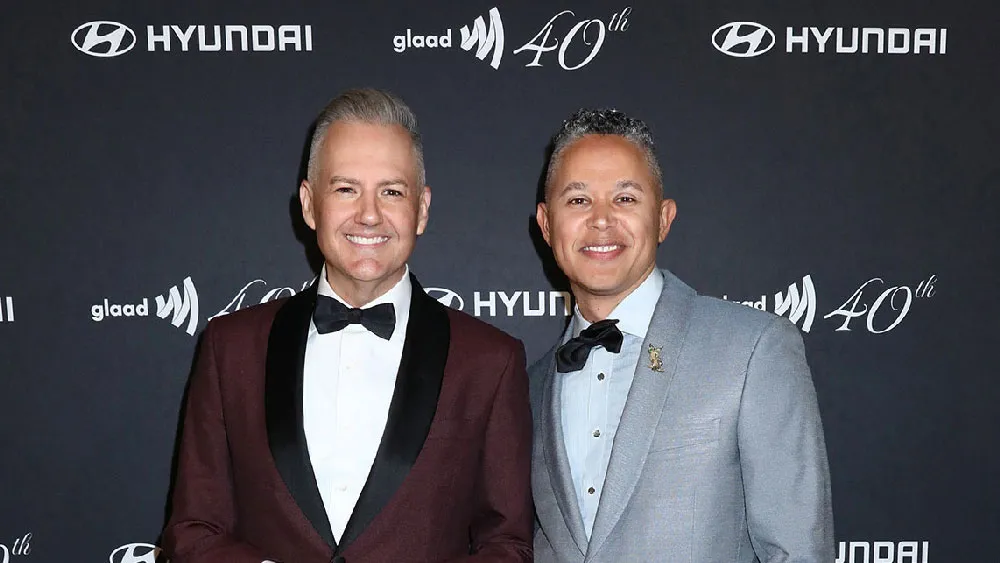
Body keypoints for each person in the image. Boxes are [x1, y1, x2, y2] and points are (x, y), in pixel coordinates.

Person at [163, 88, 533, 563]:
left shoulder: (490, 361)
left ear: (421, 209)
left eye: (391, 191)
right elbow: (193, 532)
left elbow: (507, 545)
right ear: (309, 204)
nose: (369, 214)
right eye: (346, 189)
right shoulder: (230, 349)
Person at [529, 108, 834, 562]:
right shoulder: (532, 384)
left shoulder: (752, 350)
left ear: (663, 218)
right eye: (578, 200)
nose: (601, 220)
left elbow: (798, 551)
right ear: (546, 224)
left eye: (625, 198)